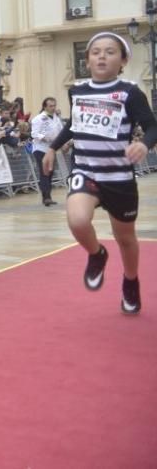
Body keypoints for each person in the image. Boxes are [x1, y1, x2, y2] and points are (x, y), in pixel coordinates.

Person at [43, 32, 157, 315]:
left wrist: (143, 144)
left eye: (110, 52)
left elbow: (153, 126)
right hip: (86, 169)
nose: (102, 56)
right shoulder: (78, 91)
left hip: (119, 177)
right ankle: (97, 254)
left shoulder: (130, 92)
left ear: (123, 60)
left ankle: (130, 283)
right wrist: (52, 149)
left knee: (126, 238)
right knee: (78, 220)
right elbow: (73, 124)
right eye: (96, 52)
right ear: (87, 60)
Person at [30, 96, 64, 206]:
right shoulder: (38, 118)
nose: (53, 108)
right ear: (45, 106)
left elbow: (60, 132)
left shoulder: (56, 118)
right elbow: (34, 134)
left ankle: (47, 195)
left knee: (50, 172)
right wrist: (45, 137)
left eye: (54, 105)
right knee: (44, 172)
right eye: (50, 106)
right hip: (40, 148)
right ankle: (46, 197)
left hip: (51, 149)